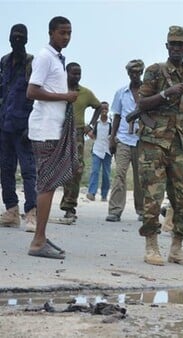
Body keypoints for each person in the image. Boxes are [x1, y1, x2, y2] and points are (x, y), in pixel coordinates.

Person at [136, 26, 183, 267]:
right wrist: (166, 93)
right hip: (154, 144)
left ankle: (177, 248)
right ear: (167, 46)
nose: (176, 48)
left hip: (180, 144)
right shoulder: (155, 71)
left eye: (180, 44)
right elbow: (142, 103)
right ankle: (151, 245)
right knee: (153, 197)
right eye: (173, 44)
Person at [26, 16, 79, 259]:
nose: (66, 37)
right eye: (62, 33)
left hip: (53, 129)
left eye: (69, 33)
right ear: (51, 33)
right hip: (45, 129)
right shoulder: (45, 57)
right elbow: (32, 90)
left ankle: (42, 236)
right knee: (46, 184)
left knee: (50, 183)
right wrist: (65, 97)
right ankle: (38, 241)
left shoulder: (57, 58)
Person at [0, 24, 37, 232]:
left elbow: (36, 96)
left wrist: (30, 126)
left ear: (26, 39)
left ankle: (31, 212)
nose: (17, 40)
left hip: (24, 125)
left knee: (28, 170)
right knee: (5, 170)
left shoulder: (32, 63)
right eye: (14, 36)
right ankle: (11, 211)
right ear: (8, 38)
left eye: (21, 37)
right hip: (4, 124)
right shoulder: (4, 61)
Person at [59, 62, 101, 221]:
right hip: (58, 131)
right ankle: (38, 205)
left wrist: (90, 125)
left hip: (76, 133)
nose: (76, 76)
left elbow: (98, 106)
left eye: (79, 73)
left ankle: (69, 206)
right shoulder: (58, 89)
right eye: (73, 73)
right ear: (66, 73)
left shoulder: (85, 93)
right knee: (54, 167)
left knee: (76, 169)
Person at [105, 59, 144, 222]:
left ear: (141, 73)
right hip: (123, 138)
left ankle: (142, 210)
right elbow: (117, 116)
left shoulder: (148, 92)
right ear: (128, 73)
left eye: (137, 72)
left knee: (140, 176)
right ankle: (115, 210)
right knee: (120, 174)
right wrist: (112, 138)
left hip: (141, 139)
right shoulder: (121, 93)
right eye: (132, 72)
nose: (135, 75)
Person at [86, 101, 112, 202]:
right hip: (97, 150)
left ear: (108, 110)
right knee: (95, 171)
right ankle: (91, 193)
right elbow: (88, 130)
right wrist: (90, 134)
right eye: (102, 109)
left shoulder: (111, 122)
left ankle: (104, 195)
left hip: (107, 151)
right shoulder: (95, 123)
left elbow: (114, 134)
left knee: (106, 173)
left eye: (106, 109)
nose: (104, 111)